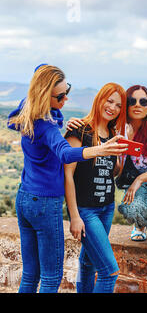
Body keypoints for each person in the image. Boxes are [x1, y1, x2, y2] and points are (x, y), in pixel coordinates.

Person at [7, 64, 128, 293]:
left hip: (24, 198)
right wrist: (97, 150)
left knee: (31, 275)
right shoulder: (48, 126)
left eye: (67, 91)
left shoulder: (28, 112)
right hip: (44, 202)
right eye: (61, 96)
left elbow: (39, 69)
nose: (66, 99)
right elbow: (64, 154)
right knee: (51, 278)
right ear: (44, 95)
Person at [66, 85, 147, 249]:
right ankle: (140, 224)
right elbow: (115, 171)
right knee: (130, 208)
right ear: (126, 106)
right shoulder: (119, 128)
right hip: (144, 185)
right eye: (132, 101)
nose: (138, 105)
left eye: (143, 101)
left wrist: (139, 179)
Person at [64, 82, 127, 293]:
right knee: (109, 272)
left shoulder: (111, 133)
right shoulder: (79, 130)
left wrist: (119, 157)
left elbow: (111, 171)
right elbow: (68, 175)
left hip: (106, 207)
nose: (113, 107)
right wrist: (74, 216)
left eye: (118, 105)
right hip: (86, 211)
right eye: (109, 101)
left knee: (88, 263)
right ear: (99, 99)